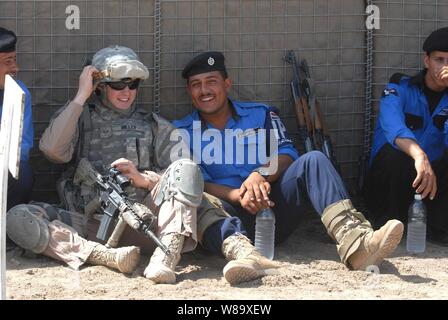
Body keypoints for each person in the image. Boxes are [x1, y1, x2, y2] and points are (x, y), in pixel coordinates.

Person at [6, 45, 276, 285]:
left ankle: (181, 256)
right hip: (88, 225)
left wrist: (143, 179)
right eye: (118, 85)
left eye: (133, 84)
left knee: (192, 185)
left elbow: (188, 175)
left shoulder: (153, 125)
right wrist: (80, 96)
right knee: (18, 217)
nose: (126, 92)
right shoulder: (80, 119)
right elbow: (52, 150)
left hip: (146, 222)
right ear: (100, 86)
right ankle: (104, 257)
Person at [173, 51, 404, 271]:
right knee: (193, 196)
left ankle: (356, 244)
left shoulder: (261, 114)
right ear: (189, 91)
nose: (204, 90)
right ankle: (242, 255)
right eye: (196, 84)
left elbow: (287, 152)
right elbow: (194, 182)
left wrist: (259, 176)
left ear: (227, 83)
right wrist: (237, 195)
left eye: (211, 81)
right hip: (223, 215)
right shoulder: (179, 132)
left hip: (270, 210)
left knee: (314, 159)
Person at [363, 27, 448, 246]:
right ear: (426, 60)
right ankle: (387, 224)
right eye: (440, 59)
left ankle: (439, 228)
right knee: (395, 155)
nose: (445, 66)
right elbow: (393, 127)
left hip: (431, 185)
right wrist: (419, 156)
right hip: (392, 181)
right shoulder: (400, 88)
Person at [0, 27, 34, 210]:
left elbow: (22, 147)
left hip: (2, 167)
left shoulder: (18, 93)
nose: (16, 68)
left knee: (22, 174)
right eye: (8, 61)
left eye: (15, 60)